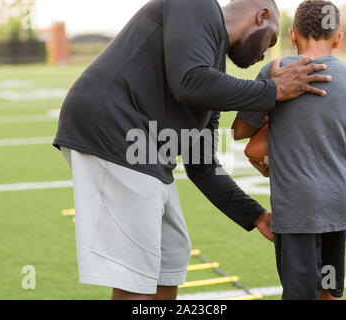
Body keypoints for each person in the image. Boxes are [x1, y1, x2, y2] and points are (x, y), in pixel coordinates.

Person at [53, 0, 331, 300]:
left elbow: (202, 166)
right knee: (137, 275)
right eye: (271, 39)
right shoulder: (197, 5)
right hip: (113, 131)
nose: (265, 53)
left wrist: (256, 216)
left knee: (171, 254)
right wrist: (272, 91)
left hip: (142, 150)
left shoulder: (212, 73)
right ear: (261, 15)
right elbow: (189, 81)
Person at [233, 0, 346, 300]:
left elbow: (240, 132)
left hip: (298, 208)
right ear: (338, 37)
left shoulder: (275, 70)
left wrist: (273, 114)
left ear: (292, 36)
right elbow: (342, 130)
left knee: (298, 294)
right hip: (339, 204)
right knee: (329, 289)